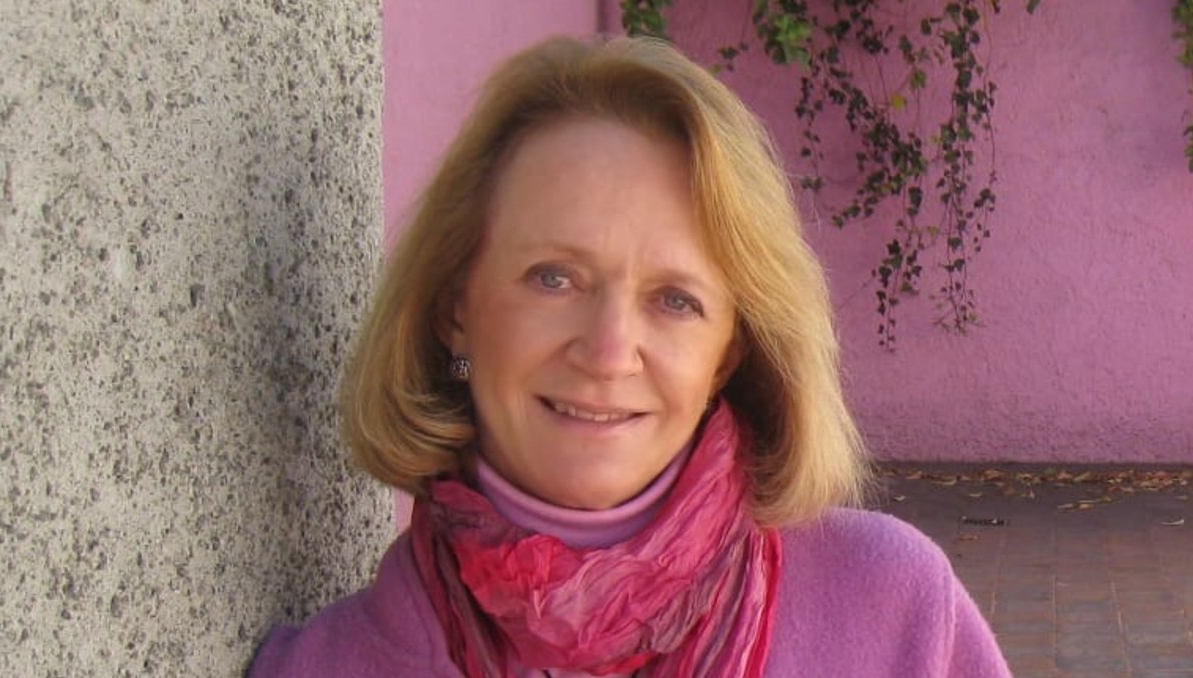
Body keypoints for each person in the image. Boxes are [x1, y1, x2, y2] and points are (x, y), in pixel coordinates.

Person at [250, 36, 1011, 677]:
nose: (609, 352)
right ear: (456, 311)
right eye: (554, 278)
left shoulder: (893, 612)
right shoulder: (327, 666)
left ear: (726, 355)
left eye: (675, 300)